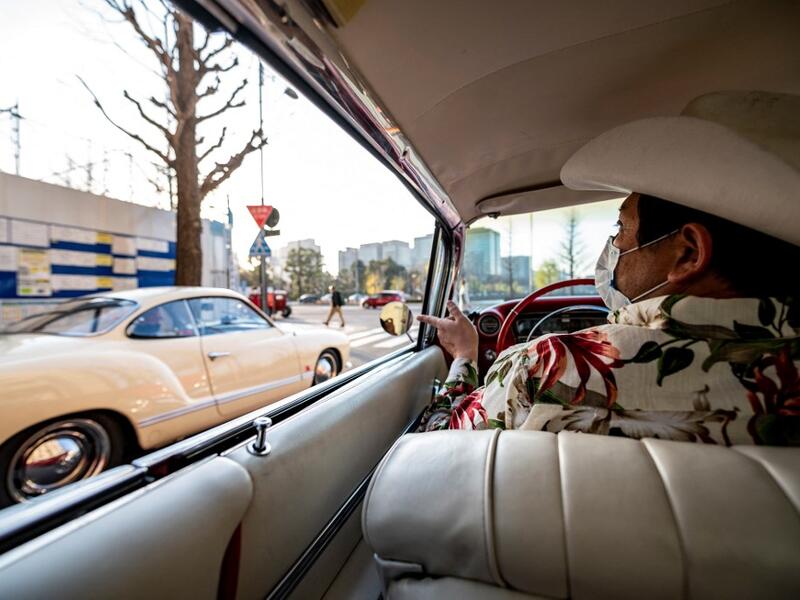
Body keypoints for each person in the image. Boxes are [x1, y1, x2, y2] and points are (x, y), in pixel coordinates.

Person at [417, 91, 800, 446]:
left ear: (688, 254)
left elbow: (438, 441)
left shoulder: (549, 366)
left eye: (622, 229)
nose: (614, 246)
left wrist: (466, 357)